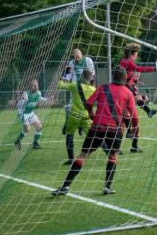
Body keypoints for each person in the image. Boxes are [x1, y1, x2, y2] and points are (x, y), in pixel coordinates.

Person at [51, 66, 138, 196]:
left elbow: (89, 103)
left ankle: (65, 186)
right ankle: (107, 187)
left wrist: (92, 115)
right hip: (115, 130)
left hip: (97, 127)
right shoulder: (128, 93)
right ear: (125, 77)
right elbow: (133, 114)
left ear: (112, 76)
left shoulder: (102, 87)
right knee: (113, 156)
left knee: (82, 156)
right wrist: (134, 130)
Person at [119, 42, 157, 152]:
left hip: (127, 92)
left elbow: (128, 77)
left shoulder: (125, 62)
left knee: (129, 121)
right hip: (124, 94)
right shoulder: (128, 62)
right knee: (128, 121)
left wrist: (136, 81)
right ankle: (122, 146)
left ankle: (133, 146)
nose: (137, 56)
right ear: (132, 54)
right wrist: (155, 69)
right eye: (136, 53)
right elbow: (139, 69)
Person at [58, 69, 96, 165]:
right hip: (86, 117)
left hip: (74, 116)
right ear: (91, 78)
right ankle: (110, 154)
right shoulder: (93, 89)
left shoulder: (74, 85)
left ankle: (71, 158)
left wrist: (63, 75)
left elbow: (60, 85)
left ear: (82, 76)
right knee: (97, 136)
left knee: (69, 136)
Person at [62, 49, 95, 136]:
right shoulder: (71, 63)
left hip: (85, 88)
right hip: (75, 88)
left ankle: (81, 126)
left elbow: (92, 75)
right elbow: (67, 76)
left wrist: (91, 87)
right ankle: (67, 124)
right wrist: (64, 80)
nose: (76, 59)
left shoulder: (88, 60)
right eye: (74, 57)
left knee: (85, 108)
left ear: (81, 54)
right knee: (69, 108)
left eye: (78, 57)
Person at [15, 79, 50, 150]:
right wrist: (23, 100)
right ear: (30, 87)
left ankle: (35, 143)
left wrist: (48, 99)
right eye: (34, 85)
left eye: (36, 84)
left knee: (39, 127)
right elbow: (18, 106)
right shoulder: (26, 94)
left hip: (30, 113)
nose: (36, 86)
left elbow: (40, 98)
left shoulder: (38, 93)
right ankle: (17, 141)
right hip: (23, 113)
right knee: (27, 129)